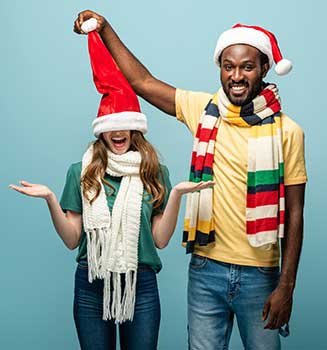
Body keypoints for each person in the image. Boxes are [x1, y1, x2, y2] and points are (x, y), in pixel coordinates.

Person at [73, 12, 307, 350]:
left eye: (247, 67)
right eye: (228, 67)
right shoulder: (203, 110)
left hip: (261, 275)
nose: (236, 76)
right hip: (205, 269)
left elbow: (296, 214)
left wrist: (287, 286)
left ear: (265, 69)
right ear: (220, 69)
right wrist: (106, 29)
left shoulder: (289, 132)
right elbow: (142, 82)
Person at [9, 27, 213, 350]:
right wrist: (50, 199)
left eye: (125, 125)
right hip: (91, 284)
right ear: (102, 131)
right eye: (111, 126)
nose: (118, 132)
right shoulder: (81, 171)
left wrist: (176, 196)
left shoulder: (155, 172)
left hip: (140, 285)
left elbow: (160, 240)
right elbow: (72, 239)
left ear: (135, 128)